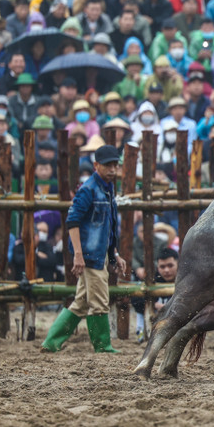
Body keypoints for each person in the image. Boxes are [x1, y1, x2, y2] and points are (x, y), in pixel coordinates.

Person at [41, 145, 127, 353]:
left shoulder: (107, 188)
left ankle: (51, 342)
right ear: (96, 165)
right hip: (90, 256)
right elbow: (72, 222)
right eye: (108, 165)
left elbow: (108, 227)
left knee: (80, 303)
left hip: (97, 254)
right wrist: (78, 254)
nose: (113, 169)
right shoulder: (88, 189)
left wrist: (114, 253)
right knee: (99, 302)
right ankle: (103, 345)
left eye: (115, 165)